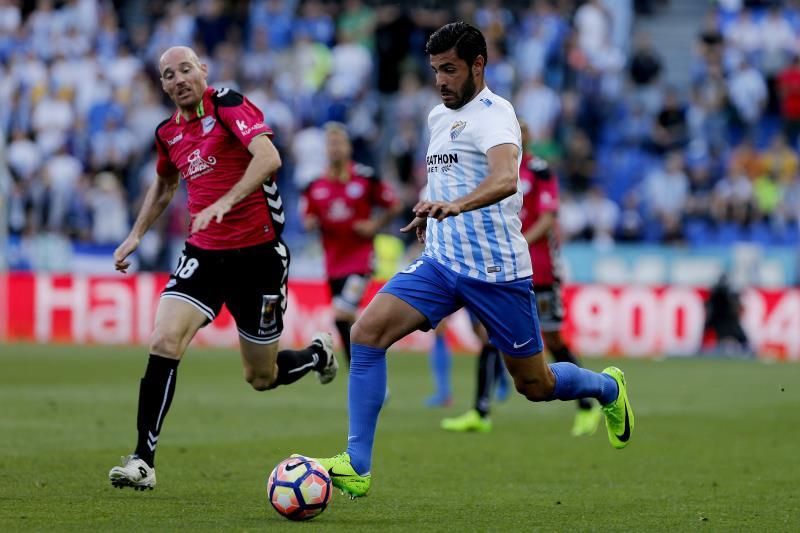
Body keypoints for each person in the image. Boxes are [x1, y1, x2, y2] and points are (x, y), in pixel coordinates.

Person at [297, 22, 634, 499]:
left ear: (478, 65)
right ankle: (357, 464)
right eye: (435, 70)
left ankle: (607, 388)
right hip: (441, 263)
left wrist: (456, 206)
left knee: (535, 384)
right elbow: (446, 178)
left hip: (497, 273)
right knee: (366, 332)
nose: (440, 80)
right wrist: (429, 212)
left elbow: (504, 179)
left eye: (450, 69)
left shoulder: (497, 116)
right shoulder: (438, 117)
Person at [107, 46, 338, 491]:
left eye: (185, 70)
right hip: (204, 254)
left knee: (261, 376)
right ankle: (142, 461)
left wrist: (227, 201)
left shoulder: (228, 103)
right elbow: (165, 183)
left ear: (203, 71)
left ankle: (316, 354)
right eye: (168, 75)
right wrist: (136, 234)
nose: (179, 79)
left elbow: (269, 158)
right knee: (164, 340)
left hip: (259, 259)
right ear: (162, 85)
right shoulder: (167, 133)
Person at [442, 131, 602, 435]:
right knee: (490, 337)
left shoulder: (538, 171)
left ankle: (587, 405)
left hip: (540, 269)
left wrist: (518, 242)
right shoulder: (492, 169)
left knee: (553, 340)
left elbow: (548, 218)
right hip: (505, 270)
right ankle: (480, 412)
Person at [300, 122, 403, 365]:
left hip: (360, 259)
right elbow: (308, 216)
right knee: (347, 320)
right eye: (331, 144)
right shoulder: (315, 185)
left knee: (341, 315)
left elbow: (394, 205)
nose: (335, 148)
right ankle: (368, 361)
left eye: (339, 143)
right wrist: (310, 222)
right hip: (333, 262)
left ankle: (358, 368)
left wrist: (375, 225)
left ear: (348, 148)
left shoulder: (365, 179)